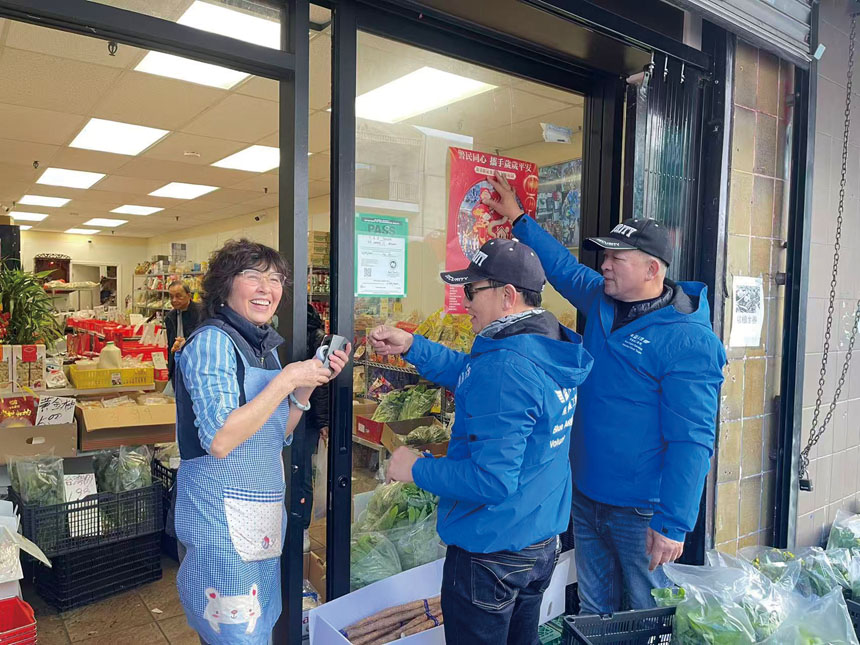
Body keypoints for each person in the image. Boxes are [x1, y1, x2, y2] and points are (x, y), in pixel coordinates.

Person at [482, 172, 726, 614]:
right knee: (595, 608)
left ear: (653, 269)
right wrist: (519, 219)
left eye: (617, 257)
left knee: (643, 615)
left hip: (640, 513)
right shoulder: (602, 300)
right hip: (586, 492)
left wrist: (674, 523)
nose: (605, 265)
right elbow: (562, 269)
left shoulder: (690, 341)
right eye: (605, 256)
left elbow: (693, 439)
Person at [370, 238, 593, 645]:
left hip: (492, 553)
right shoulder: (545, 347)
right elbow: (474, 375)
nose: (464, 301)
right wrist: (413, 346)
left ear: (507, 296)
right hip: (536, 539)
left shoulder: (507, 365)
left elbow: (491, 480)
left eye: (472, 291)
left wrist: (415, 468)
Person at [172, 239, 350, 645]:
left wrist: (305, 389)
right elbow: (220, 439)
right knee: (234, 634)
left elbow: (273, 435)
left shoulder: (265, 350)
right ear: (225, 286)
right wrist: (288, 379)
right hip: (220, 521)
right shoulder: (213, 343)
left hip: (260, 519)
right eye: (252, 276)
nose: (266, 288)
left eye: (275, 279)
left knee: (257, 627)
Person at [302, 304, 329, 551]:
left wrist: (321, 421)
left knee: (302, 474)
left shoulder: (316, 338)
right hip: (295, 414)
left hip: (306, 417)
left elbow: (321, 386)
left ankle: (303, 528)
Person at [165, 281, 205, 384]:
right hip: (177, 363)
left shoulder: (201, 313)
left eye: (179, 296)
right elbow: (170, 346)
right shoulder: (170, 317)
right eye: (171, 297)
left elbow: (204, 338)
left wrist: (186, 341)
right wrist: (170, 371)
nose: (174, 300)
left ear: (188, 295)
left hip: (196, 364)